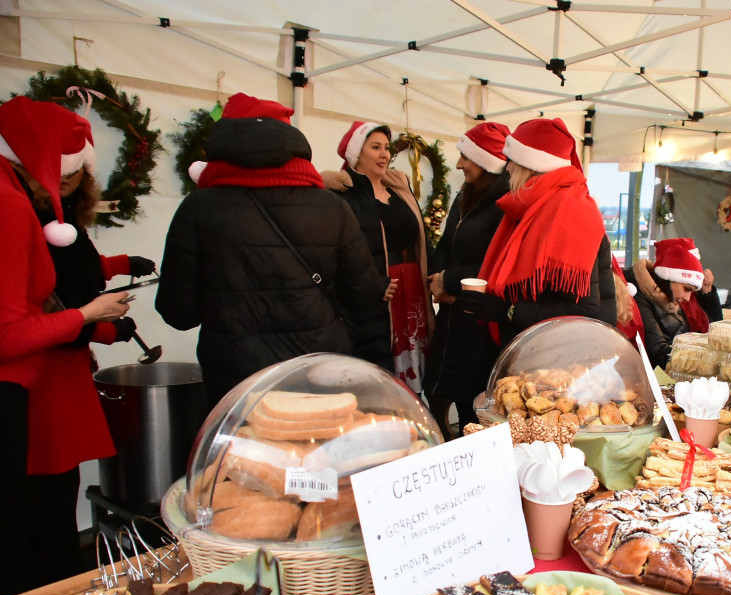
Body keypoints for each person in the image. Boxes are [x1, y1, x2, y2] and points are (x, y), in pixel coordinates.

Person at [157, 93, 391, 408]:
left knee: (245, 456)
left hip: (235, 377)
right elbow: (364, 295)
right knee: (319, 451)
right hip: (318, 368)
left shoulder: (198, 208)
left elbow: (178, 312)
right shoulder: (332, 206)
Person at [0, 96, 129, 595]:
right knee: (37, 516)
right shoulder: (12, 206)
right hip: (30, 381)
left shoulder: (26, 202)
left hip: (45, 378)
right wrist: (91, 318)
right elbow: (11, 331)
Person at [459, 117, 616, 345]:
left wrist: (508, 310)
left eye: (512, 160)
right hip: (541, 346)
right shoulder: (535, 207)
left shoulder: (572, 212)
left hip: (564, 354)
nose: (508, 167)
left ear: (531, 166)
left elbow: (585, 308)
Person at [322, 121, 431, 393]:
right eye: (375, 147)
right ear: (356, 154)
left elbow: (420, 239)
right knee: (381, 371)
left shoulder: (399, 189)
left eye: (386, 148)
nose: (384, 154)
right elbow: (339, 253)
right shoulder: (344, 196)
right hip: (380, 290)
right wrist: (370, 283)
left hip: (411, 287)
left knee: (417, 368)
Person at [423, 122, 510, 438]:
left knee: (475, 408)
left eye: (465, 157)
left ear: (487, 161)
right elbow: (446, 244)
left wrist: (450, 280)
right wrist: (438, 277)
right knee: (446, 393)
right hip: (452, 320)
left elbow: (496, 262)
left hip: (480, 323)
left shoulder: (504, 204)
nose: (459, 164)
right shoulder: (465, 196)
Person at [631, 239, 721, 369]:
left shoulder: (671, 298)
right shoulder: (641, 297)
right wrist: (702, 364)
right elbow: (656, 349)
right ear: (672, 277)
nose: (688, 298)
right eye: (687, 289)